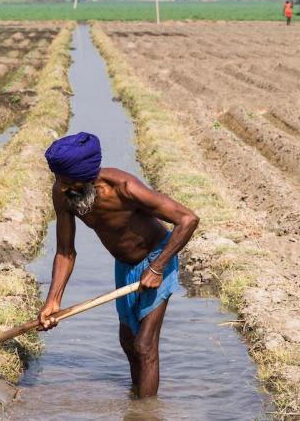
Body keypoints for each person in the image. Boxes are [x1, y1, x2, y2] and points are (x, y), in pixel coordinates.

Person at [38, 132, 199, 398]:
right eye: (58, 180)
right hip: (124, 265)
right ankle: (136, 396)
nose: (62, 187)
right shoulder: (64, 193)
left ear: (88, 176)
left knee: (145, 345)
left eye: (68, 182)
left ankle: (146, 415)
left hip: (156, 259)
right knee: (128, 342)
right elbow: (65, 252)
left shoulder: (125, 188)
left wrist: (157, 268)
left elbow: (187, 219)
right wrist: (53, 300)